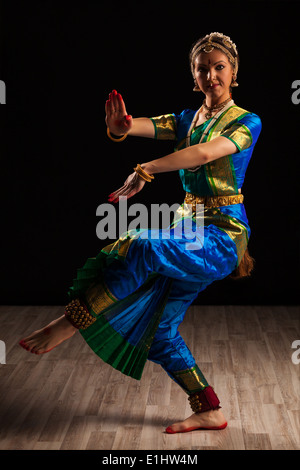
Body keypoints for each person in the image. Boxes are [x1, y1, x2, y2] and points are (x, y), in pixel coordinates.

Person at [19, 32, 262, 434]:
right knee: (161, 332)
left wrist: (146, 168)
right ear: (194, 75)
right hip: (187, 231)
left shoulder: (247, 121)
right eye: (203, 68)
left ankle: (71, 320)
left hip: (221, 237)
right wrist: (121, 128)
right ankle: (209, 409)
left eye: (219, 67)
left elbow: (203, 154)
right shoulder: (188, 119)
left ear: (234, 73)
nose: (211, 75)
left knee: (142, 245)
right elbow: (145, 125)